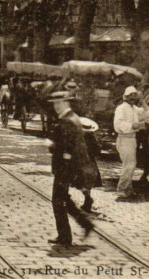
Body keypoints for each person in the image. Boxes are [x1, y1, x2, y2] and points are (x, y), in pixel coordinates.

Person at [47, 91, 94, 246]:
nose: (56, 106)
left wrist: (52, 146)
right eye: (54, 103)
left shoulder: (67, 121)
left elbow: (66, 149)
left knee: (58, 201)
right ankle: (86, 224)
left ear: (66, 103)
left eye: (59, 103)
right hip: (70, 167)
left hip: (65, 168)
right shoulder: (72, 118)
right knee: (64, 199)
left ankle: (65, 237)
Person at [114, 86, 147, 199]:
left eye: (135, 97)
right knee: (129, 165)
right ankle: (121, 189)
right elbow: (117, 125)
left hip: (132, 139)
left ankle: (128, 189)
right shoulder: (121, 108)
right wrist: (132, 125)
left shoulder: (133, 108)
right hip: (124, 138)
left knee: (130, 165)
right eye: (131, 97)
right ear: (126, 97)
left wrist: (142, 101)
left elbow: (146, 113)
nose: (133, 99)